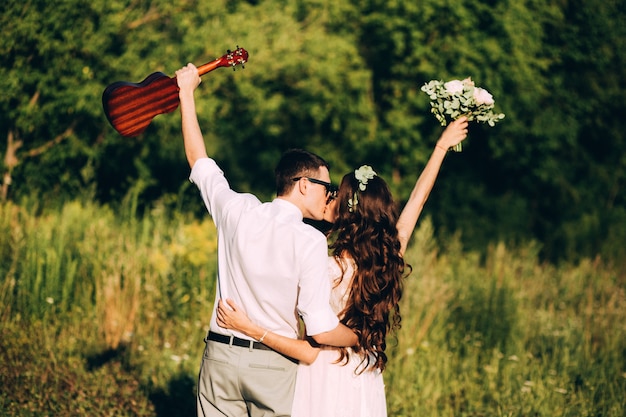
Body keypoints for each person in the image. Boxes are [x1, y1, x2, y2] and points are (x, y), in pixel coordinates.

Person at [216, 117, 469, 416]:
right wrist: (440, 147)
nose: (328, 196)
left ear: (347, 214)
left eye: (335, 195)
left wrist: (248, 326)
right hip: (361, 369)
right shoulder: (384, 258)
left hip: (320, 369)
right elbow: (418, 200)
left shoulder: (322, 261)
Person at [175, 63, 358, 417]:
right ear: (305, 184)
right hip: (273, 365)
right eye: (327, 188)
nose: (329, 196)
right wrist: (360, 336)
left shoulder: (236, 209)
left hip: (220, 358)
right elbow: (320, 328)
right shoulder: (309, 241)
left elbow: (198, 160)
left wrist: (186, 94)